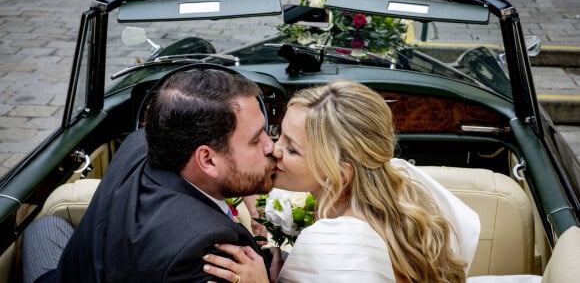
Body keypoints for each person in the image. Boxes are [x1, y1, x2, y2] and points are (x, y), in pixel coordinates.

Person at [203, 79, 481, 282]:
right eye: (279, 134)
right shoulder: (401, 183)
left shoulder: (334, 245)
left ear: (341, 173)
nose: (274, 149)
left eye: (292, 148)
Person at [22, 69, 279, 283]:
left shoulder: (137, 145)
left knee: (43, 226)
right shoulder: (201, 251)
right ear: (208, 160)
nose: (272, 146)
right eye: (257, 140)